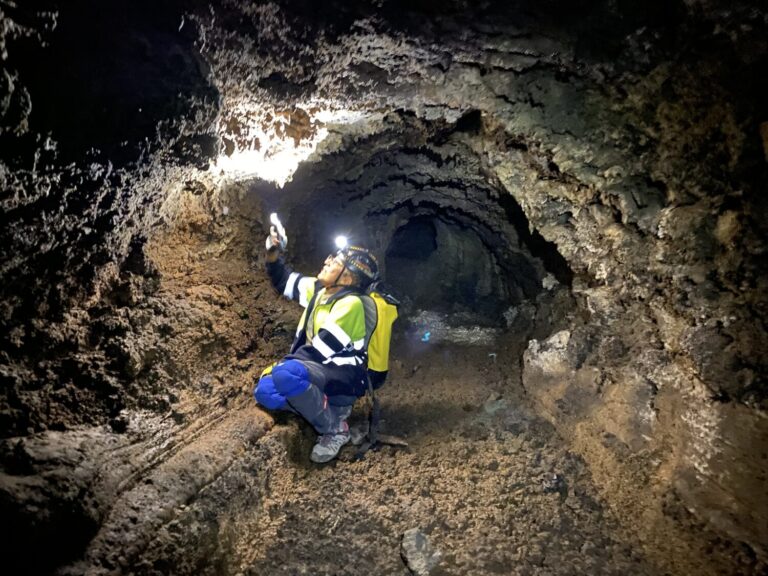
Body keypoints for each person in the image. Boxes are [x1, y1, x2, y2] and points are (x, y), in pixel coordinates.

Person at [254, 227, 380, 463]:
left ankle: (334, 428)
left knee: (285, 374)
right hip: (317, 371)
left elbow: (320, 351)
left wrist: (279, 367)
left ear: (347, 278)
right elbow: (284, 281)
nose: (326, 261)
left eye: (334, 261)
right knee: (265, 393)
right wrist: (273, 253)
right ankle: (318, 411)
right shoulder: (320, 291)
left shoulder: (352, 304)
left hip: (341, 379)